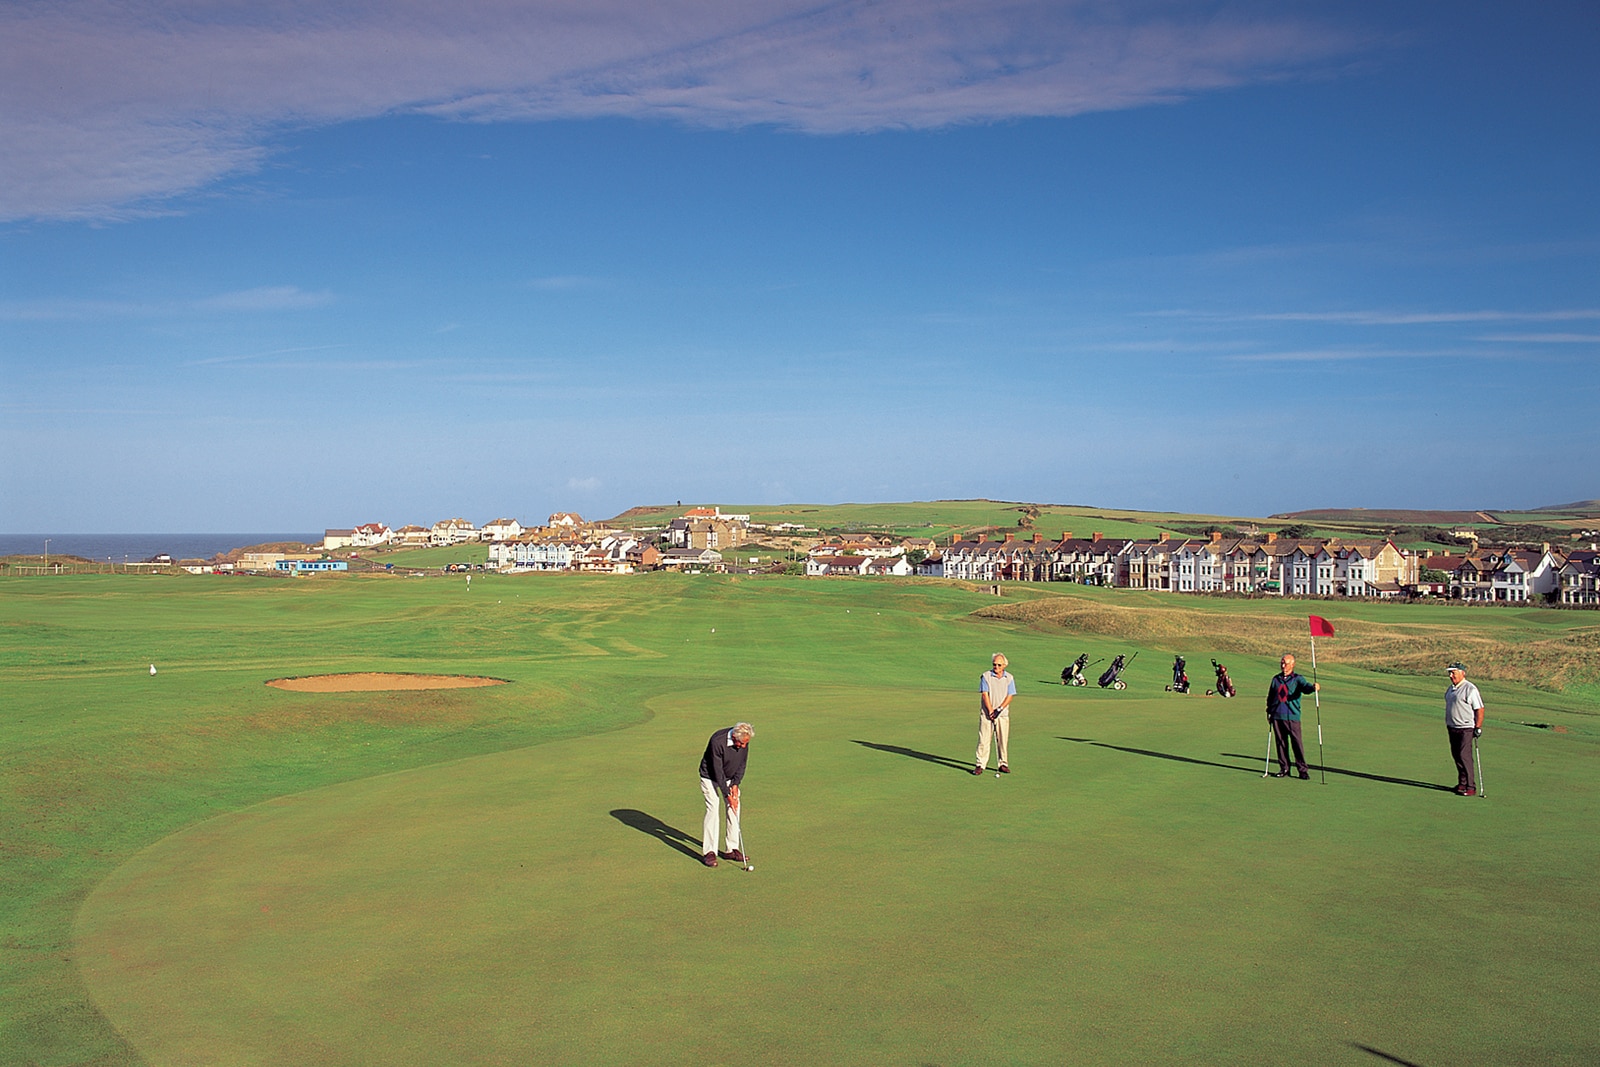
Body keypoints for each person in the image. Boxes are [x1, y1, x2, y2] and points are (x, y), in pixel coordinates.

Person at [698, 722, 754, 867]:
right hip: (709, 777)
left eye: (745, 744)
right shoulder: (717, 741)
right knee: (713, 807)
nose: (743, 747)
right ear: (735, 738)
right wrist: (727, 794)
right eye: (741, 743)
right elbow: (717, 771)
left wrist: (735, 784)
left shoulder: (744, 741)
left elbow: (742, 764)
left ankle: (732, 849)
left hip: (729, 777)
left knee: (734, 807)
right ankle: (710, 852)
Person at [1265, 653, 1318, 779]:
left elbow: (1305, 688)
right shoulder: (1276, 679)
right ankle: (1284, 768)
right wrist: (1269, 712)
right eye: (1282, 663)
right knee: (1281, 743)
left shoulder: (1297, 679)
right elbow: (1271, 696)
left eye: (1286, 663)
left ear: (1293, 664)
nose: (1283, 665)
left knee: (1297, 744)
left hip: (1292, 716)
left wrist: (1313, 688)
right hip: (1277, 716)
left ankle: (1302, 770)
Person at [1445, 662, 1485, 796]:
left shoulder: (1470, 689)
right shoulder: (1451, 689)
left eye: (1453, 673)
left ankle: (1470, 786)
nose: (1451, 676)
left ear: (1462, 673)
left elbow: (1479, 709)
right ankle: (1462, 784)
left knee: (1464, 756)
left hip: (1466, 728)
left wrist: (1478, 727)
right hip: (1452, 727)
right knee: (1456, 756)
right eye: (1449, 673)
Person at [973, 653, 1015, 775]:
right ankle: (980, 764)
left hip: (1002, 714)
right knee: (984, 740)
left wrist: (999, 709)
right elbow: (984, 694)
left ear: (1004, 666)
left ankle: (1003, 764)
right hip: (987, 714)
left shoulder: (1009, 678)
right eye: (994, 664)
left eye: (999, 665)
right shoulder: (986, 676)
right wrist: (991, 711)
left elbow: (1010, 695)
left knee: (1002, 740)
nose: (996, 667)